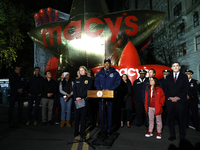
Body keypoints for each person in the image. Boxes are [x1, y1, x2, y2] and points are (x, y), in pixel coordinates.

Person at [94, 58, 121, 135]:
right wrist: (100, 90)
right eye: (105, 63)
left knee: (110, 112)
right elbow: (96, 82)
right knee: (102, 112)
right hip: (101, 95)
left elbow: (117, 83)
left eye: (108, 63)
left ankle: (109, 129)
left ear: (110, 64)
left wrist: (109, 89)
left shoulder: (115, 73)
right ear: (103, 64)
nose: (106, 64)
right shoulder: (100, 73)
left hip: (110, 95)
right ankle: (102, 129)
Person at [165, 62, 189, 142]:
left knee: (182, 120)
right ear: (171, 68)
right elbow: (166, 89)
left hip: (180, 102)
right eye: (174, 66)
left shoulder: (184, 77)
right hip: (170, 103)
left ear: (179, 68)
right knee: (171, 120)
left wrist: (178, 97)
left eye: (177, 66)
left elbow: (186, 89)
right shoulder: (168, 77)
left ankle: (182, 136)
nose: (175, 67)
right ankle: (172, 135)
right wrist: (170, 97)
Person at [73, 66, 93, 141]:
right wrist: (76, 97)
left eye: (82, 70)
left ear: (85, 71)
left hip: (84, 101)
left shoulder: (89, 79)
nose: (81, 72)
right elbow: (74, 89)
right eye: (80, 70)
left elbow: (88, 90)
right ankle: (75, 132)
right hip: (77, 101)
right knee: (76, 117)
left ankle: (82, 134)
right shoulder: (76, 80)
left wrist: (81, 97)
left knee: (83, 118)